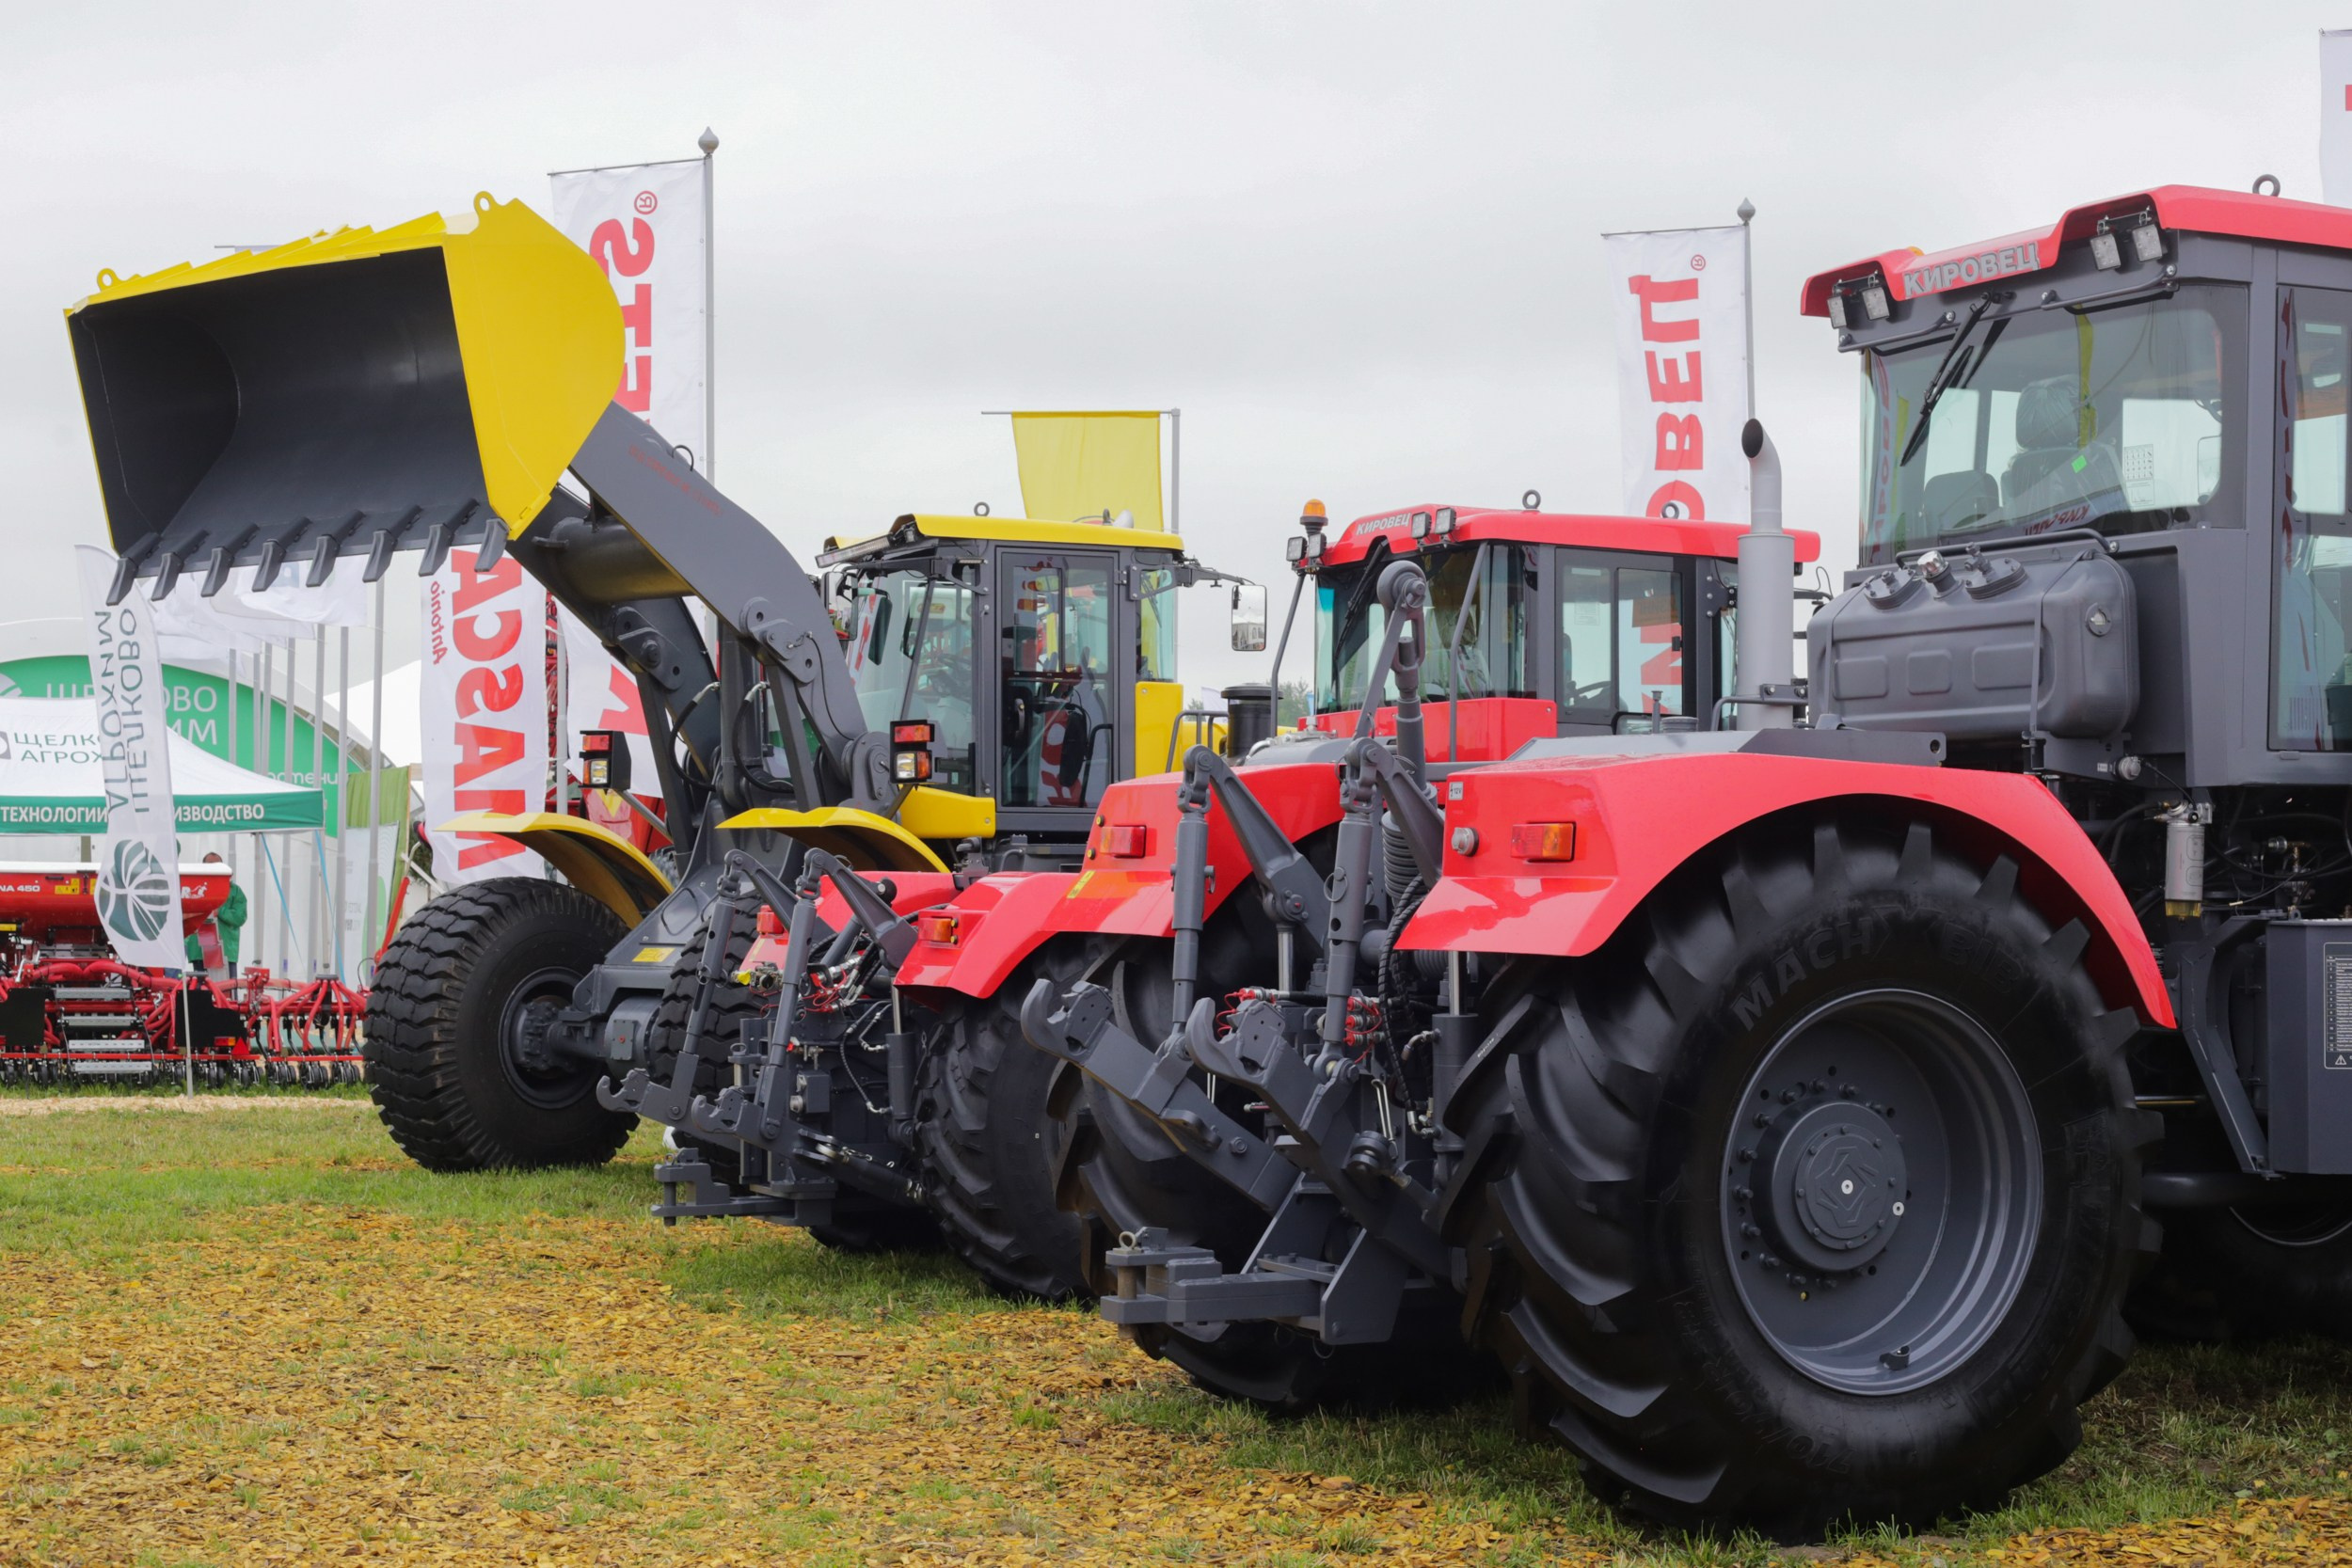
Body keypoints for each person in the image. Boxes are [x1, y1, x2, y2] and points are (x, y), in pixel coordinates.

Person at [186, 851, 246, 978]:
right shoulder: (193, 887)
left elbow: (240, 917)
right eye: (209, 865)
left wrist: (220, 911)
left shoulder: (234, 891)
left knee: (226, 992)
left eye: (216, 866)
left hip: (225, 952)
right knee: (201, 993)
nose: (213, 869)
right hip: (198, 951)